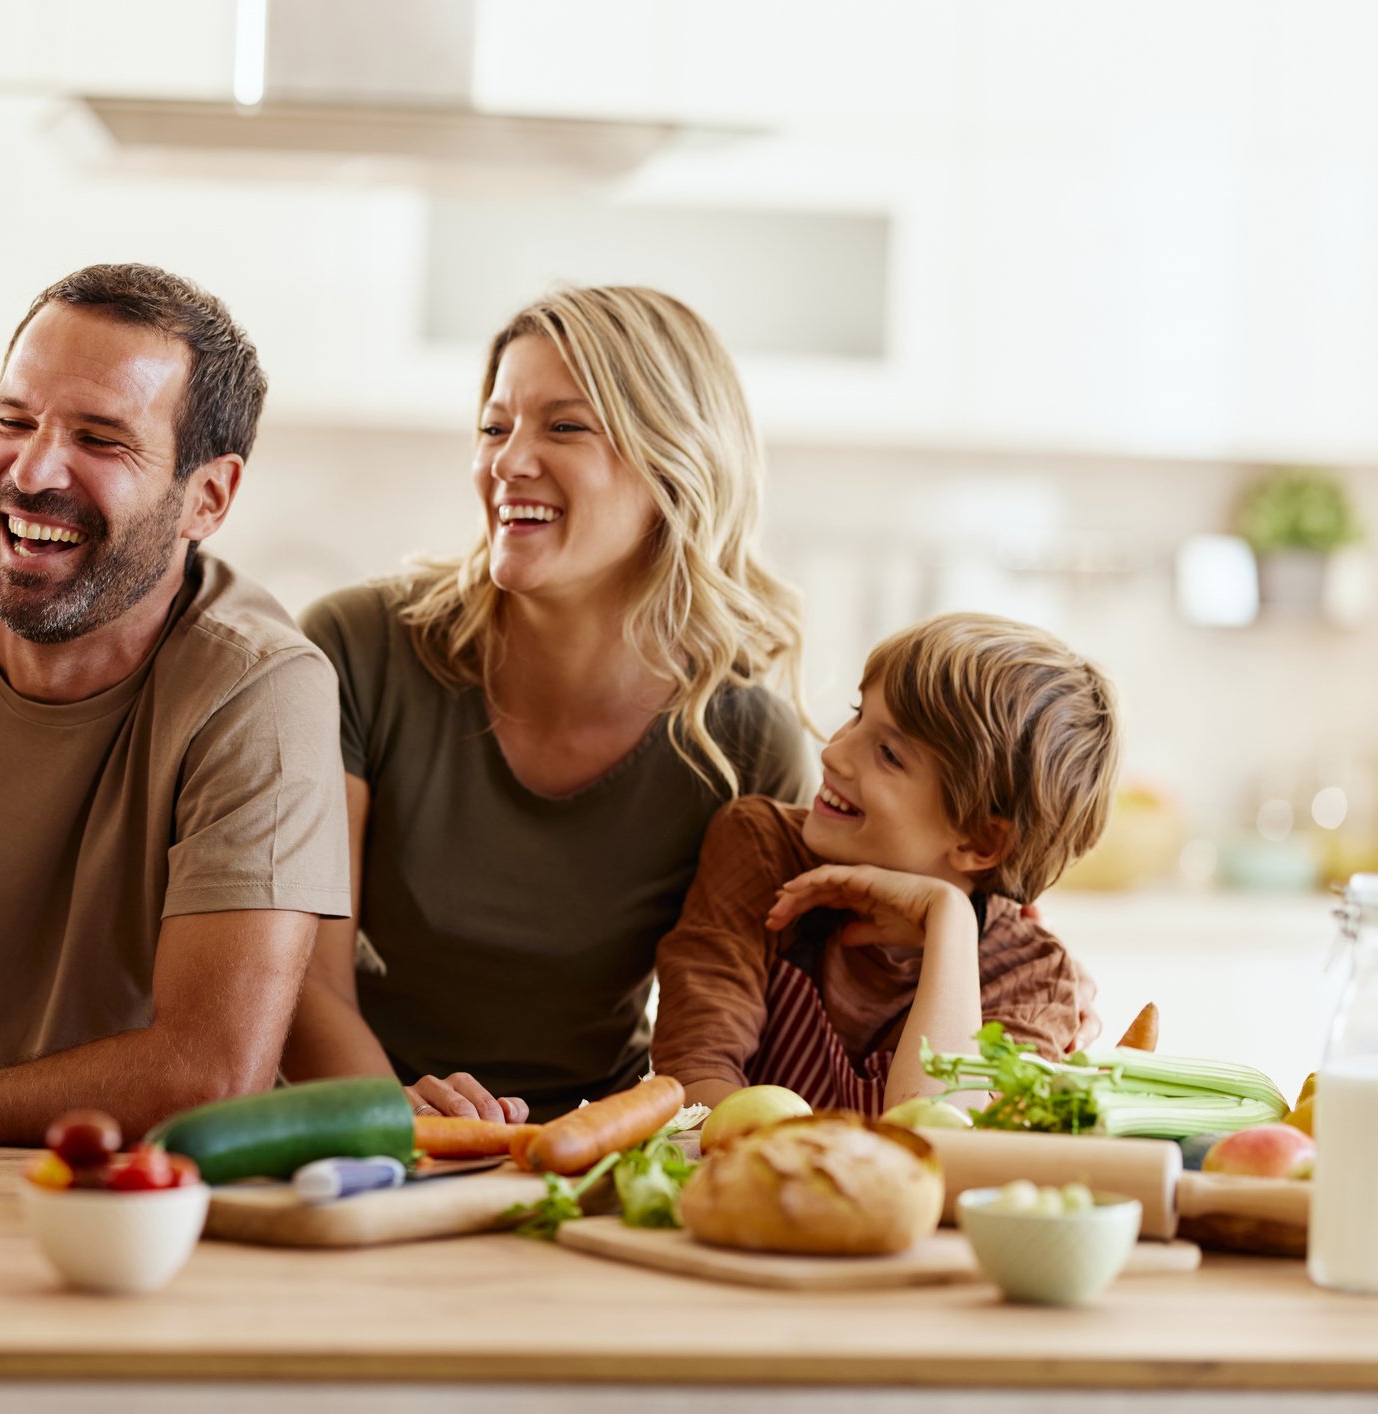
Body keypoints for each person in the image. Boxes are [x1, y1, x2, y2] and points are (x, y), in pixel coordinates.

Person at [0, 264, 349, 1145]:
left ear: (206, 498)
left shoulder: (257, 688)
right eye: (13, 421)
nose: (33, 469)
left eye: (102, 439)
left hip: (107, 1193)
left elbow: (207, 1074)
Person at [282, 286, 811, 1122]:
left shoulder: (745, 744)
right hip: (357, 1120)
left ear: (673, 460)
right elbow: (302, 977)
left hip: (599, 1148)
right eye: (495, 427)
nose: (507, 461)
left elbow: (725, 1023)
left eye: (563, 427)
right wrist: (391, 1118)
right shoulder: (360, 646)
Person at [652, 613, 1117, 1116]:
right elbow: (694, 1081)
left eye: (889, 755)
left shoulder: (1034, 981)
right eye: (857, 715)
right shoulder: (763, 849)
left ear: (981, 841)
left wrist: (948, 917)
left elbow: (946, 1136)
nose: (833, 753)